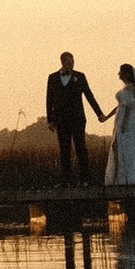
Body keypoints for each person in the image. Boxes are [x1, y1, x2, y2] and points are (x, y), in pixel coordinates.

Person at [45, 52, 105, 184]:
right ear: (62, 62)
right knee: (64, 149)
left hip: (78, 118)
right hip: (61, 119)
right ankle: (66, 180)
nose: (72, 65)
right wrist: (50, 119)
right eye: (69, 62)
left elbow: (89, 96)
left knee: (81, 148)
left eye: (73, 62)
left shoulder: (80, 76)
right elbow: (49, 99)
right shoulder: (53, 78)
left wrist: (99, 114)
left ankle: (85, 179)